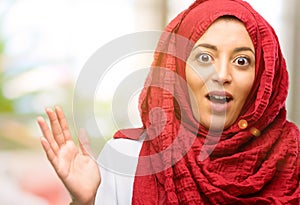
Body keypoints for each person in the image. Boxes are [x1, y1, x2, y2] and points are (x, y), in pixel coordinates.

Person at [37, 0, 300, 204]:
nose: (221, 75)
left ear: (264, 80)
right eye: (205, 58)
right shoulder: (126, 160)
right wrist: (86, 202)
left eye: (241, 61)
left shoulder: (293, 159)